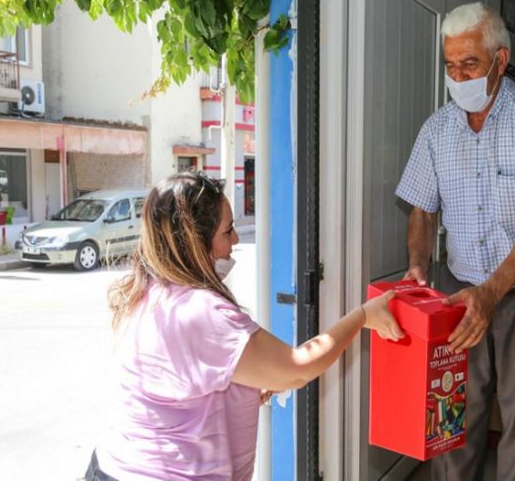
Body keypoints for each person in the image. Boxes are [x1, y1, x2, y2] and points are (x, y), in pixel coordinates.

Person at [85, 171, 403, 480]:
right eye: (228, 230)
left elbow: (186, 388)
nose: (236, 239)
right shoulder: (199, 311)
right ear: (195, 242)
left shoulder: (151, 292)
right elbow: (298, 368)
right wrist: (363, 315)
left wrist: (250, 384)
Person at [395, 3, 515, 481]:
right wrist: (418, 263)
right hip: (460, 293)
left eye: (470, 64)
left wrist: (492, 293)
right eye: (451, 66)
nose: (458, 77)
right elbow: (421, 207)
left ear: (500, 60)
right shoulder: (438, 128)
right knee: (453, 415)